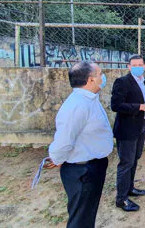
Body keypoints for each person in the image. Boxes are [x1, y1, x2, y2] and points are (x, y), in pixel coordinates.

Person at [44, 61, 113, 228]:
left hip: (92, 167)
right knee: (81, 219)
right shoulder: (77, 105)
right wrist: (57, 158)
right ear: (90, 80)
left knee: (86, 213)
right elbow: (63, 141)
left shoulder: (88, 99)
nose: (103, 78)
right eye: (100, 74)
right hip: (83, 171)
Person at [111, 54, 145, 212]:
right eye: (134, 64)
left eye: (140, 64)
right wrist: (140, 107)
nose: (138, 67)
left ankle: (129, 188)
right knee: (126, 163)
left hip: (141, 126)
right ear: (129, 67)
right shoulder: (122, 82)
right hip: (127, 129)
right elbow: (116, 105)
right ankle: (121, 199)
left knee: (134, 159)